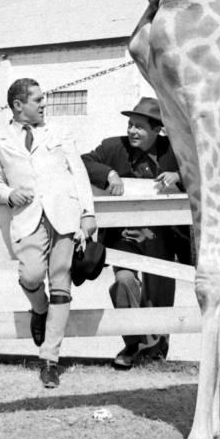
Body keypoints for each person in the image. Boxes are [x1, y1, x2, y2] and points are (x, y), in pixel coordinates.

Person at [0, 77, 97, 389]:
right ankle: (39, 308)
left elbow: (80, 173)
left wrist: (88, 213)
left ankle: (50, 359)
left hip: (64, 215)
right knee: (31, 276)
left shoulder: (59, 132)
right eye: (37, 100)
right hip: (28, 218)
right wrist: (8, 194)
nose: (44, 104)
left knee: (61, 281)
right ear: (19, 105)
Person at [81, 97, 192, 369]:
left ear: (158, 130)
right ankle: (134, 345)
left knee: (159, 295)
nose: (132, 131)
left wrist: (179, 176)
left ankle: (155, 353)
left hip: (163, 237)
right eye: (130, 125)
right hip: (123, 237)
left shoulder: (175, 150)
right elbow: (83, 161)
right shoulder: (112, 147)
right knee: (124, 283)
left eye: (140, 127)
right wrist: (109, 174)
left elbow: (202, 168)